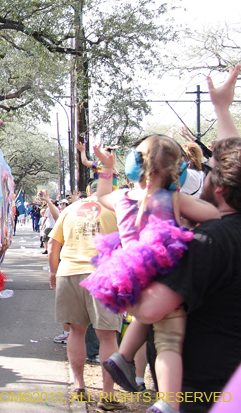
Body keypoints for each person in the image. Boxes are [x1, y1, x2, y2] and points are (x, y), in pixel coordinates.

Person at [129, 64, 241, 413]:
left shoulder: (210, 242)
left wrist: (110, 275)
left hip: (207, 393)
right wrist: (222, 109)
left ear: (218, 187)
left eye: (208, 174)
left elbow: (149, 308)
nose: (200, 178)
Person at [81, 136, 221, 413]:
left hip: (126, 273)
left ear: (134, 165)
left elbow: (101, 195)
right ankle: (168, 402)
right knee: (169, 339)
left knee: (145, 316)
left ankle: (124, 355)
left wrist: (106, 169)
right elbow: (214, 216)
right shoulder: (173, 198)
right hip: (162, 273)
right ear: (177, 170)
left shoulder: (121, 197)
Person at [48, 182, 123, 410]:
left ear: (88, 192)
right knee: (108, 337)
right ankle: (107, 396)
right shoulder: (116, 208)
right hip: (104, 273)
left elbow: (53, 244)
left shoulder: (70, 209)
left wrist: (53, 272)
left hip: (70, 272)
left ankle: (79, 387)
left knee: (75, 332)